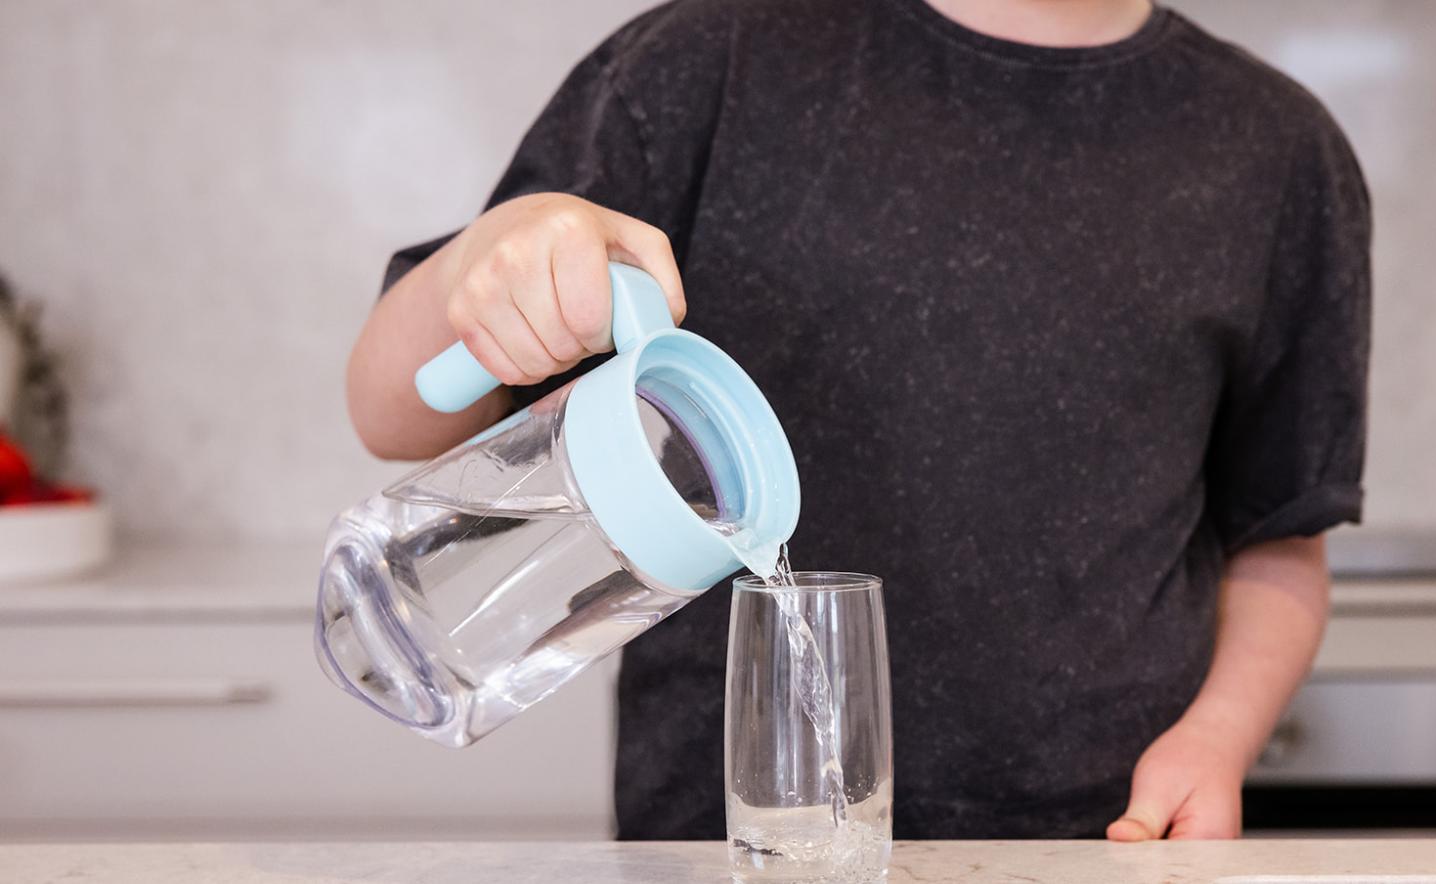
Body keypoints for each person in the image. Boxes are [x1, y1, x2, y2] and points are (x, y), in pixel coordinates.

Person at [346, 0, 1370, 840]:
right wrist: (498, 249)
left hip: (1108, 831)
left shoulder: (1278, 150)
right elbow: (390, 412)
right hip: (730, 830)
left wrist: (1219, 738)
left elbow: (1278, 540)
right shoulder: (710, 59)